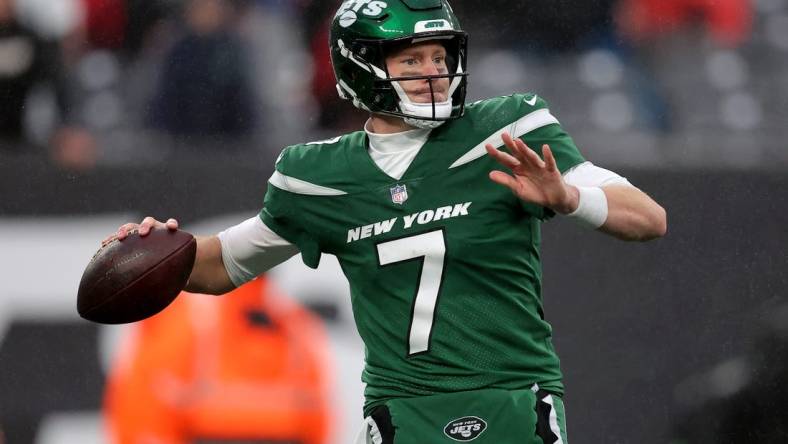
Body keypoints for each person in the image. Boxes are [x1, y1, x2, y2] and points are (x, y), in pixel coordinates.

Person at [107, 1, 666, 442]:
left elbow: (649, 218)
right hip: (401, 414)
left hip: (514, 399)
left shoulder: (507, 131)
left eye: (440, 58)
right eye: (411, 60)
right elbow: (223, 265)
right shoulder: (318, 176)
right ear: (361, 67)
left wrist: (568, 197)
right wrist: (158, 247)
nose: (434, 74)